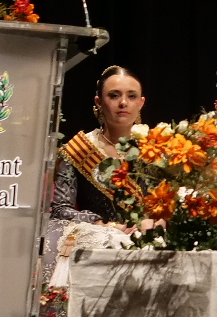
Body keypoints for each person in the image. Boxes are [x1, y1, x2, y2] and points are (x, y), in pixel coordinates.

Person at [45, 65, 145, 284]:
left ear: (141, 102)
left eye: (131, 96)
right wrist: (105, 226)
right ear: (99, 102)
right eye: (114, 95)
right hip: (98, 248)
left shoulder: (160, 149)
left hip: (149, 245)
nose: (123, 103)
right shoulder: (79, 149)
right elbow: (61, 210)